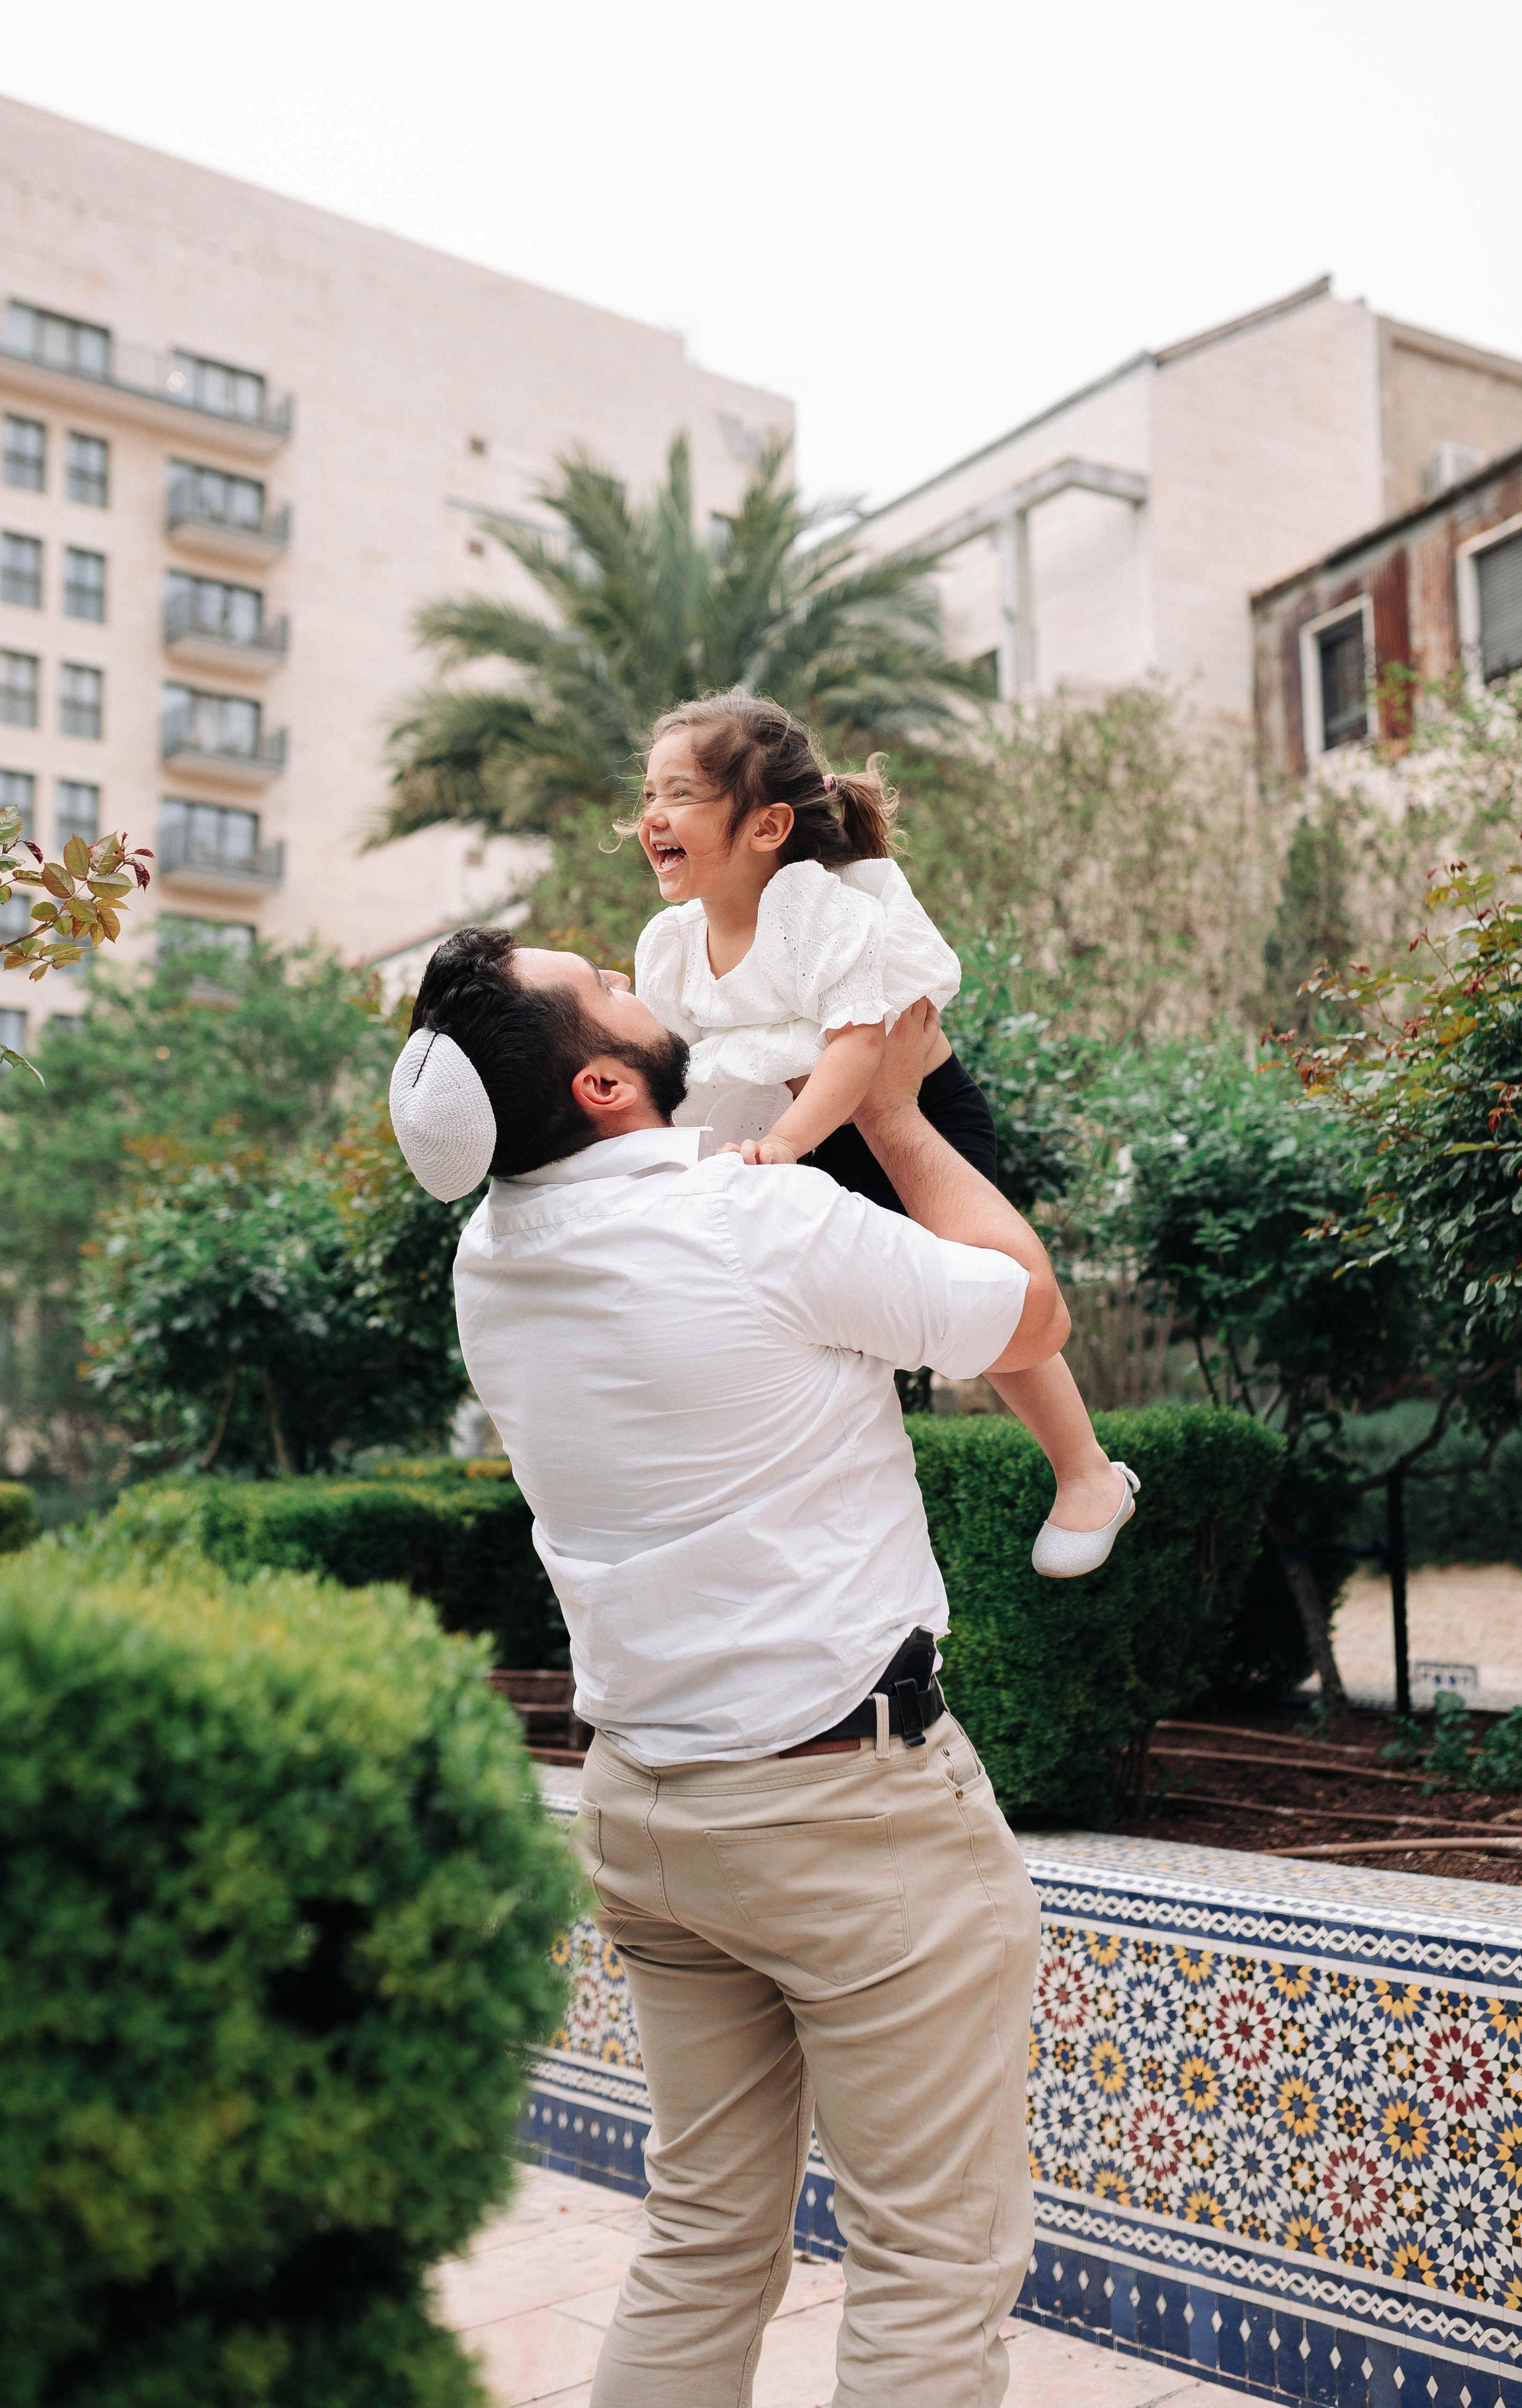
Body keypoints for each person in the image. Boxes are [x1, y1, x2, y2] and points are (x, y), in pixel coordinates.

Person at [386, 928, 1084, 2408]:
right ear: (600, 1085)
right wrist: (890, 1107)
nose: (634, 982)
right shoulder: (749, 1224)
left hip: (649, 1812)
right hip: (846, 1815)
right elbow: (1031, 1311)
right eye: (608, 988)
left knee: (703, 2243)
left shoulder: (491, 1257)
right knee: (929, 2266)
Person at [629, 688, 1136, 1581]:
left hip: (912, 1112)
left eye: (682, 794)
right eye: (647, 796)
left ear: (767, 826)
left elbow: (861, 1042)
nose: (654, 816)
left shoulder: (809, 907)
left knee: (980, 1294)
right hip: (793, 1145)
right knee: (843, 1329)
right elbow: (677, 1078)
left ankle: (1088, 1472)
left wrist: (786, 1143)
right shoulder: (670, 946)